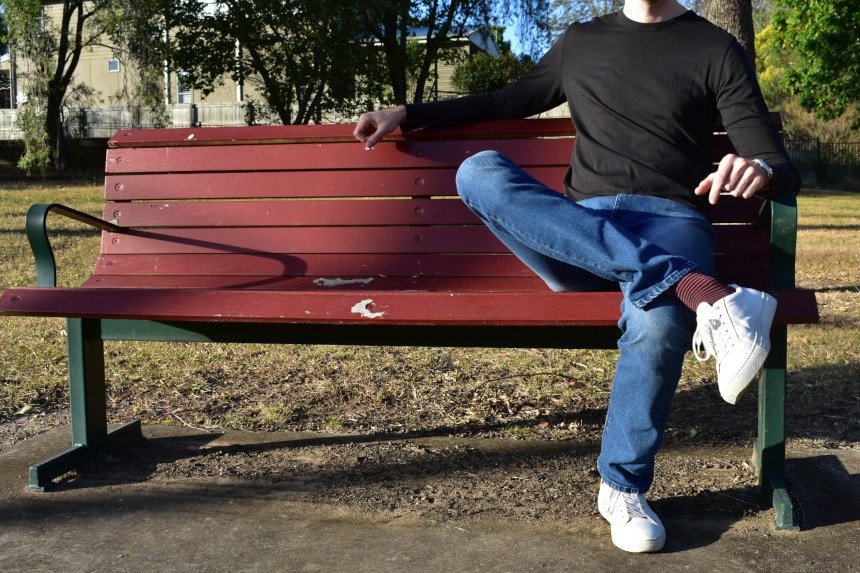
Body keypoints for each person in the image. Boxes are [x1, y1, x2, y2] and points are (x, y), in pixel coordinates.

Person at [354, 0, 799, 554]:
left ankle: (621, 487)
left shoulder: (714, 48)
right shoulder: (580, 41)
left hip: (671, 221)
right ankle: (701, 292)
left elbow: (773, 157)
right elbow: (505, 100)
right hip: (580, 232)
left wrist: (757, 168)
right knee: (478, 171)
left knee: (658, 319)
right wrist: (411, 113)